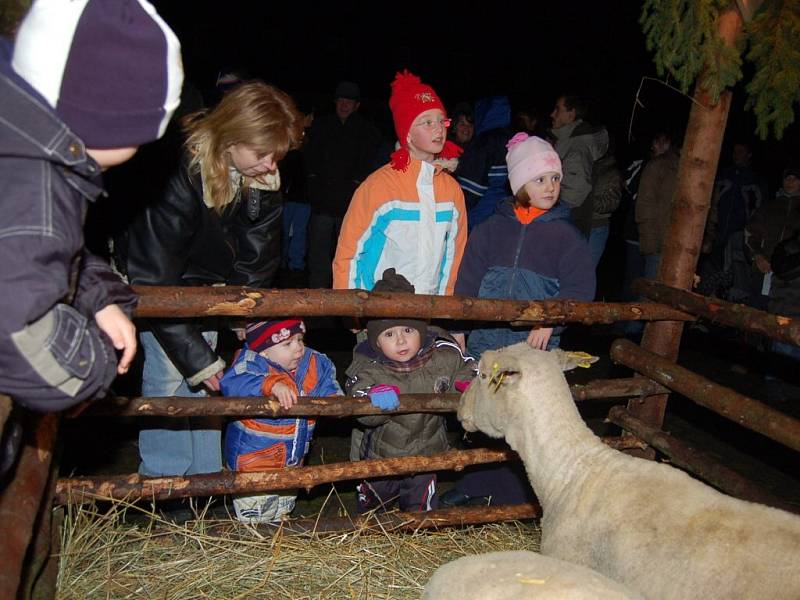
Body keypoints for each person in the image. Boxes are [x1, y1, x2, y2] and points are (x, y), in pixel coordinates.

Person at [0, 0, 182, 414]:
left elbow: (21, 261)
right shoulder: (36, 195)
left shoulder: (22, 150)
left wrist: (95, 294)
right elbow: (19, 333)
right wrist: (96, 362)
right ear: (109, 120)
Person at [119, 81, 305, 477]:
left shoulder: (257, 175)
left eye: (277, 156)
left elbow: (258, 253)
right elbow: (154, 272)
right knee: (173, 375)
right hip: (159, 282)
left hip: (206, 286)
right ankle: (165, 482)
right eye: (262, 154)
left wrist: (243, 309)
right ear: (231, 136)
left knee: (207, 380)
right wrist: (199, 359)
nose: (272, 165)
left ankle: (204, 480)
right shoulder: (175, 167)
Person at [441, 133, 594, 507]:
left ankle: (519, 493)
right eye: (540, 179)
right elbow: (467, 281)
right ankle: (475, 484)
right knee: (485, 410)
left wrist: (550, 321)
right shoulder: (491, 229)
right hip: (486, 341)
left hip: (533, 347)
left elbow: (581, 288)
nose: (551, 187)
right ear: (518, 182)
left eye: (555, 179)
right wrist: (460, 328)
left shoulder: (565, 235)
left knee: (525, 417)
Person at [345, 269, 476, 512]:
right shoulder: (369, 365)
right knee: (375, 508)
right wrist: (377, 399)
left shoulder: (441, 355)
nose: (401, 341)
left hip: (427, 453)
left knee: (421, 509)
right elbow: (358, 398)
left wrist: (467, 385)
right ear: (376, 342)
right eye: (390, 334)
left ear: (422, 331)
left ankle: (419, 535)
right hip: (381, 457)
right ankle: (371, 535)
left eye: (408, 330)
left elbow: (466, 365)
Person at [332, 70, 467, 298]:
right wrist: (350, 307)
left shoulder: (451, 190)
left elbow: (455, 254)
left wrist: (446, 304)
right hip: (381, 307)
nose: (438, 129)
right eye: (426, 122)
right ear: (407, 134)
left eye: (441, 120)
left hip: (429, 308)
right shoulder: (379, 186)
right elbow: (350, 250)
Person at [220, 319, 342, 523]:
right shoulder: (250, 362)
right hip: (254, 462)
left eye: (300, 339)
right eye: (287, 344)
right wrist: (270, 384)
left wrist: (336, 401)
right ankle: (257, 549)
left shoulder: (313, 363)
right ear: (264, 351)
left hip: (292, 458)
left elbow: (327, 385)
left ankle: (278, 546)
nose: (299, 349)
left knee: (283, 510)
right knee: (257, 517)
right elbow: (232, 383)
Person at [305, 81, 381, 288]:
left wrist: (357, 187)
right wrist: (314, 185)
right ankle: (316, 294)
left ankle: (345, 293)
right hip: (322, 204)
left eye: (349, 101)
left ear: (357, 105)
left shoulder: (367, 131)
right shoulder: (321, 126)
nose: (344, 104)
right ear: (335, 101)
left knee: (347, 252)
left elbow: (369, 164)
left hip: (349, 205)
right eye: (341, 99)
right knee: (318, 254)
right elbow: (309, 159)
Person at [549, 93, 609, 238]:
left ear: (571, 114)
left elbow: (573, 194)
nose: (552, 114)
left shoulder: (577, 147)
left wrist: (548, 213)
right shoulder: (566, 141)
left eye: (558, 109)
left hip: (568, 226)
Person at [456, 95, 514, 230]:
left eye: (470, 123)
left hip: (481, 218)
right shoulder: (513, 140)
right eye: (461, 124)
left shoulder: (484, 144)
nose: (467, 128)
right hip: (507, 216)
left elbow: (470, 192)